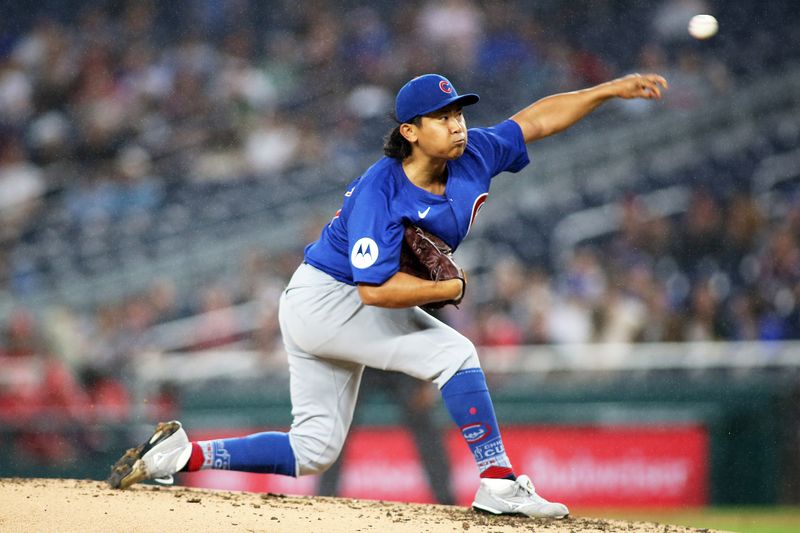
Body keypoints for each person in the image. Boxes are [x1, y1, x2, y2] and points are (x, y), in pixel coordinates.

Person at [108, 72, 667, 519]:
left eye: (459, 113)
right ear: (409, 131)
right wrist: (449, 286)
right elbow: (375, 292)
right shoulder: (382, 185)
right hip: (330, 299)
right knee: (455, 353)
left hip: (326, 302)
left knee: (312, 451)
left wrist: (607, 90)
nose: (458, 125)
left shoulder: (473, 154)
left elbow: (536, 120)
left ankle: (181, 455)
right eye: (442, 117)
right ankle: (499, 483)